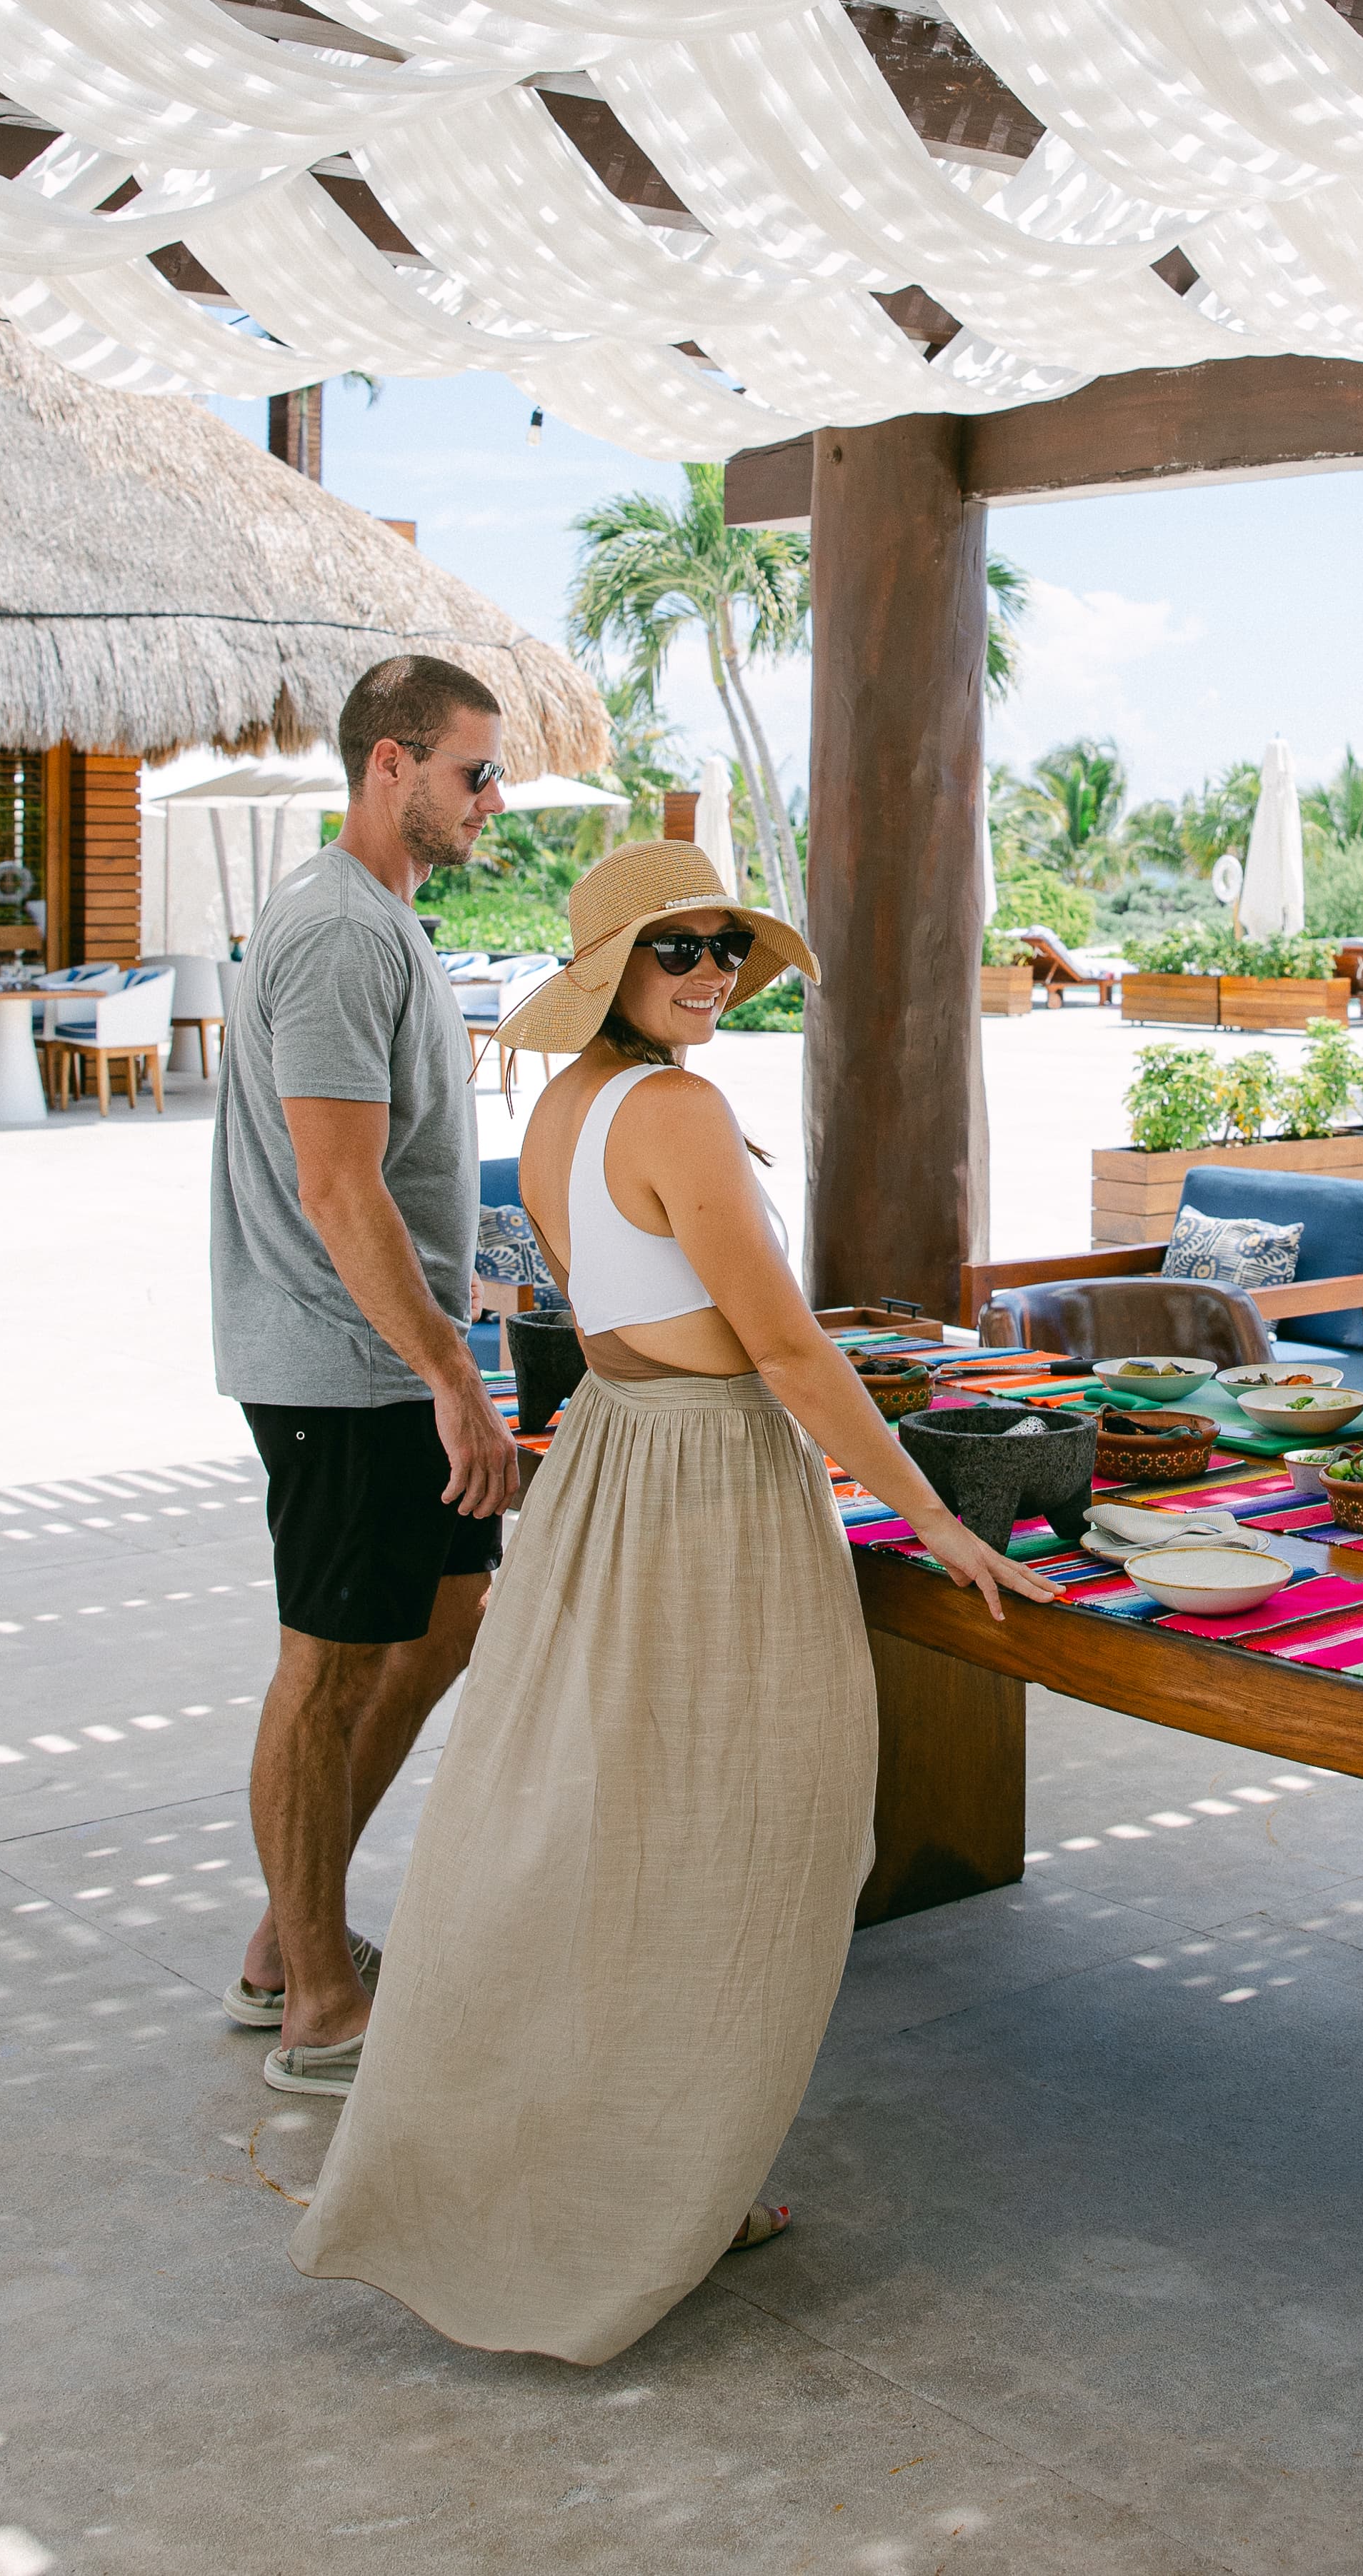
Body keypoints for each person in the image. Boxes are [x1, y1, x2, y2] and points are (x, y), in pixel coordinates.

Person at [288, 840, 1056, 2363]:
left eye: (724, 949)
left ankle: (614, 2167)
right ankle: (661, 2193)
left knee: (606, 1830)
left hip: (617, 1466)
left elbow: (645, 1314)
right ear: (613, 970)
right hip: (704, 1480)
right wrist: (930, 1516)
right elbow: (785, 1350)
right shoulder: (679, 1109)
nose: (711, 972)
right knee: (754, 1831)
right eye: (680, 948)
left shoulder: (570, 1104)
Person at [211, 653, 520, 2097]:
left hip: (396, 1363)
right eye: (473, 770)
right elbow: (342, 1189)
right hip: (343, 1367)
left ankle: (293, 1924)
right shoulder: (337, 930)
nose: (491, 797)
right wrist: (453, 1372)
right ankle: (318, 2001)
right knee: (326, 1666)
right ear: (389, 763)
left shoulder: (391, 922)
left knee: (448, 1622)